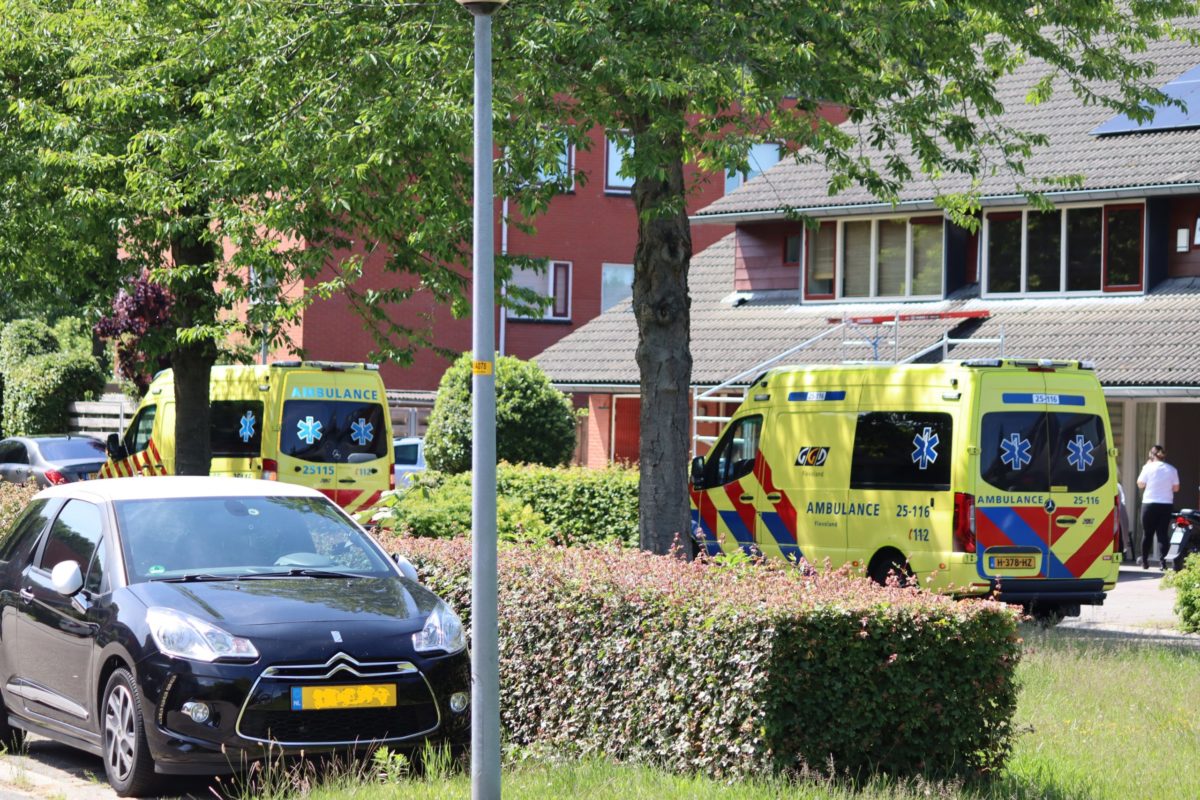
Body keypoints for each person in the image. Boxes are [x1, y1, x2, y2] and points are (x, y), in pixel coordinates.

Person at [1137, 444, 1180, 570]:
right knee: (1162, 534)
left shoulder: (1147, 468)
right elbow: (1176, 488)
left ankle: (1144, 562)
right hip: (1166, 504)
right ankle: (1163, 563)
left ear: (1152, 455)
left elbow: (1140, 484)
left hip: (1149, 504)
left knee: (1147, 534)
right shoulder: (1172, 469)